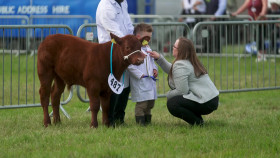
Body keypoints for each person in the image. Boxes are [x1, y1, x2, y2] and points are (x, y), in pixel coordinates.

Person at [148, 37, 219, 126]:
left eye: (174, 46)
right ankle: (197, 120)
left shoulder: (181, 65)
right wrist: (159, 58)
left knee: (173, 103)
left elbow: (182, 91)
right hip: (211, 99)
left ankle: (197, 123)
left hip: (206, 102)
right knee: (177, 100)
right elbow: (174, 71)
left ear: (180, 50)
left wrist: (168, 95)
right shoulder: (189, 61)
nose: (172, 48)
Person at [96, 0, 134, 126]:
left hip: (125, 48)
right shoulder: (106, 7)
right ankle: (109, 119)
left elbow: (128, 26)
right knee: (112, 85)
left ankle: (119, 117)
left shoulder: (123, 3)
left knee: (126, 81)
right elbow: (115, 33)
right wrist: (131, 45)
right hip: (110, 51)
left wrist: (132, 44)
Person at [127, 23, 158, 125]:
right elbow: (129, 65)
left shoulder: (148, 48)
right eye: (147, 38)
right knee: (142, 104)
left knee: (150, 103)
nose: (148, 40)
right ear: (138, 37)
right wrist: (139, 74)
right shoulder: (133, 50)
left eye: (150, 38)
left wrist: (154, 69)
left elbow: (152, 61)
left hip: (149, 80)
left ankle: (148, 121)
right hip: (140, 80)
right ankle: (141, 123)